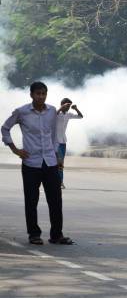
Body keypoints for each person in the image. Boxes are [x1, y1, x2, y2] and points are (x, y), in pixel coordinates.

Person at [1, 82, 74, 245]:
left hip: (50, 162)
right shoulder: (22, 112)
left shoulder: (52, 112)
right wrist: (15, 149)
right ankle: (34, 234)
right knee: (31, 200)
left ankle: (56, 235)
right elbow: (5, 128)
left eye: (43, 94)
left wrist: (57, 154)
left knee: (56, 199)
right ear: (31, 95)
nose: (41, 96)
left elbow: (54, 135)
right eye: (38, 94)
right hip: (31, 163)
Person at [55, 98, 83, 189]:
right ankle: (56, 182)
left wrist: (76, 108)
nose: (68, 108)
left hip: (63, 141)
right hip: (55, 142)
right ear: (62, 104)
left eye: (69, 106)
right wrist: (60, 108)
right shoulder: (56, 113)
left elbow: (80, 116)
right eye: (67, 105)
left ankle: (60, 182)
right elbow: (51, 117)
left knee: (61, 163)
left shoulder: (68, 114)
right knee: (56, 163)